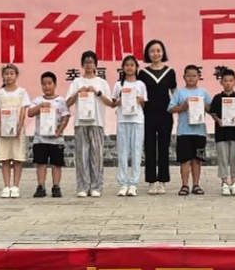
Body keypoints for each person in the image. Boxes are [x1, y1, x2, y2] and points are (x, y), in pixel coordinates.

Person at [66, 51, 114, 198]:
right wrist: (78, 92)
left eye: (91, 62)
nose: (88, 65)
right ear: (82, 64)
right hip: (80, 123)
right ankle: (82, 186)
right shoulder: (77, 82)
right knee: (81, 155)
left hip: (97, 122)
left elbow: (110, 103)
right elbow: (68, 103)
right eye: (86, 62)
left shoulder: (101, 83)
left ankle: (96, 186)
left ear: (95, 64)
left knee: (96, 156)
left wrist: (97, 92)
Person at [139, 39, 176, 195]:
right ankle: (151, 181)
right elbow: (140, 93)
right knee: (149, 147)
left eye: (158, 50)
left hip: (165, 114)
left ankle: (162, 181)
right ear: (148, 54)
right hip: (148, 114)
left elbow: (174, 93)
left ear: (163, 52)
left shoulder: (170, 72)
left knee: (163, 146)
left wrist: (177, 106)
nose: (156, 53)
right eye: (152, 51)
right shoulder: (143, 73)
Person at [167, 65, 212, 196]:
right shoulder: (179, 92)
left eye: (194, 76)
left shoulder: (203, 92)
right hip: (184, 132)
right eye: (188, 75)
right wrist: (182, 107)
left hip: (199, 132)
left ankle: (196, 185)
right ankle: (185, 185)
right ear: (184, 77)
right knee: (184, 160)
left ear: (199, 77)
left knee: (197, 160)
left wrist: (203, 106)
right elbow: (170, 109)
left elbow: (212, 109)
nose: (191, 78)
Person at [27, 71, 70, 198]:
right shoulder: (38, 100)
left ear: (55, 84)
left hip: (56, 139)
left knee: (56, 164)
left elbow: (66, 117)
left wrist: (59, 131)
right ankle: (41, 186)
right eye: (44, 84)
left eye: (50, 83)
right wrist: (41, 106)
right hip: (40, 139)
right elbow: (30, 113)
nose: (47, 86)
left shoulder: (61, 100)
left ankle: (56, 186)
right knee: (41, 163)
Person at [0, 64, 30, 198]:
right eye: (6, 74)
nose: (9, 76)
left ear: (16, 76)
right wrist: (0, 127)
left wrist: (19, 126)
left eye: (12, 74)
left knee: (17, 158)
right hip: (3, 130)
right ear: (3, 76)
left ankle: (16, 186)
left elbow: (23, 111)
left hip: (18, 130)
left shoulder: (22, 92)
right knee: (5, 158)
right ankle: (6, 186)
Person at [111, 55, 148, 196]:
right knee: (122, 152)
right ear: (122, 68)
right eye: (126, 65)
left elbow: (144, 104)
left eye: (132, 65)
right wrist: (119, 101)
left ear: (136, 67)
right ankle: (123, 183)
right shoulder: (118, 85)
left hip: (137, 121)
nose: (129, 67)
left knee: (136, 152)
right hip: (122, 121)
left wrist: (140, 100)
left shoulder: (140, 85)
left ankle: (133, 184)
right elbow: (113, 103)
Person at [208, 68, 235, 196]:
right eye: (225, 80)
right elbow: (213, 113)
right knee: (222, 159)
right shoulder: (217, 98)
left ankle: (234, 183)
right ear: (221, 82)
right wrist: (218, 120)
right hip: (222, 134)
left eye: (230, 80)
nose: (228, 83)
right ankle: (224, 183)